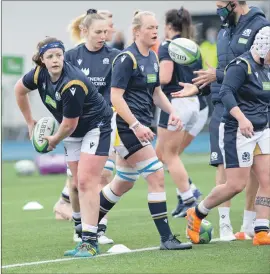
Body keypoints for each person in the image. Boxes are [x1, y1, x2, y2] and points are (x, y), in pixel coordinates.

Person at [91, 10, 192, 251]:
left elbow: (156, 93)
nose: (155, 31)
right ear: (137, 32)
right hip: (126, 127)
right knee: (156, 175)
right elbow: (116, 97)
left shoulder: (153, 57)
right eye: (149, 27)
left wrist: (173, 112)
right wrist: (136, 125)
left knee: (123, 182)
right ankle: (166, 238)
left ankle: (87, 226)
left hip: (139, 126)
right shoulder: (127, 59)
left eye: (156, 27)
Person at [14, 36, 113, 257]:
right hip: (72, 130)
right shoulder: (39, 74)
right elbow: (19, 90)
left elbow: (69, 124)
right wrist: (30, 122)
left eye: (59, 55)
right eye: (50, 56)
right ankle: (82, 229)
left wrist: (53, 141)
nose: (56, 59)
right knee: (76, 185)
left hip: (96, 126)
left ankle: (90, 240)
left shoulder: (72, 82)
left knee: (88, 182)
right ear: (42, 60)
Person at [173, 26, 270, 246]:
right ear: (264, 49)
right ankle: (197, 213)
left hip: (262, 131)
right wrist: (242, 118)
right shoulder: (240, 66)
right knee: (235, 185)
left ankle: (262, 230)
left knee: (267, 180)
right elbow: (225, 92)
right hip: (238, 131)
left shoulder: (266, 68)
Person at [54, 9, 119, 245]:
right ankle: (79, 225)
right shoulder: (70, 57)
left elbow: (121, 92)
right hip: (75, 124)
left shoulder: (115, 56)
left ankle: (99, 227)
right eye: (98, 31)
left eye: (106, 31)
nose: (103, 35)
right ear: (84, 31)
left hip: (103, 122)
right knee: (75, 182)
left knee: (103, 175)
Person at [155, 7, 208, 218]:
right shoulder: (192, 45)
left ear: (168, 26)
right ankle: (188, 191)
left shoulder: (168, 46)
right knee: (163, 155)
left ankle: (189, 199)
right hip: (194, 102)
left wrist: (143, 80)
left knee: (169, 156)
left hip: (175, 102)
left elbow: (165, 77)